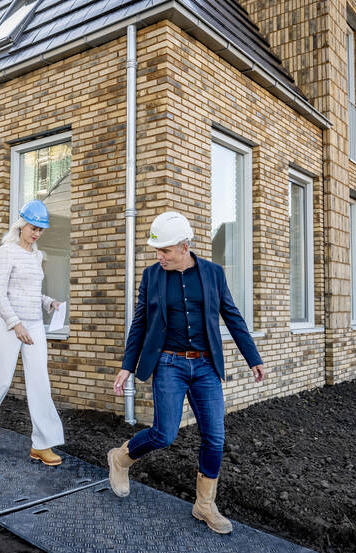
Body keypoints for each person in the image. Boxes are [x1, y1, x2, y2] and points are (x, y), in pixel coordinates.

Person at [106, 211, 265, 535]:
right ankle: (121, 458)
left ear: (184, 246)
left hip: (205, 366)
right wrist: (126, 366)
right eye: (157, 250)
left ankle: (204, 504)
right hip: (169, 364)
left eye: (164, 250)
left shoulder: (213, 274)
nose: (158, 255)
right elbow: (140, 324)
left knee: (215, 437)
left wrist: (253, 358)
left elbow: (232, 317)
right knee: (164, 434)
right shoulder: (152, 276)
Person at [0, 200, 65, 466]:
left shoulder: (36, 255)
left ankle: (42, 444)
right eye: (33, 228)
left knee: (40, 382)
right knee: (0, 378)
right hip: (10, 325)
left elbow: (32, 292)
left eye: (41, 230)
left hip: (34, 325)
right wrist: (15, 324)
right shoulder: (6, 251)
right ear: (21, 224)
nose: (36, 234)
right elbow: (0, 294)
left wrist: (49, 303)